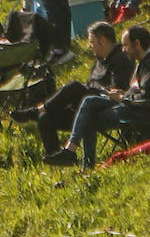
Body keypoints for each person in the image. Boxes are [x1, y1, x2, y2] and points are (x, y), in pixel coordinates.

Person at [12, 22, 133, 156]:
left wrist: (89, 89)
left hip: (104, 110)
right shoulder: (99, 59)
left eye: (92, 42)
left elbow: (116, 92)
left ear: (103, 40)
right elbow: (92, 83)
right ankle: (57, 157)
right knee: (45, 118)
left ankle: (35, 111)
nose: (89, 46)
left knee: (74, 87)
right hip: (84, 110)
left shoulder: (121, 59)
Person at [46, 25, 150, 168]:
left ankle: (82, 163)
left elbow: (145, 98)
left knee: (90, 116)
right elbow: (135, 91)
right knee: (90, 102)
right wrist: (122, 94)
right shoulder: (142, 62)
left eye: (126, 45)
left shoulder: (148, 65)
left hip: (139, 113)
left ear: (137, 43)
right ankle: (73, 153)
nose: (123, 49)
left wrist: (123, 98)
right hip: (129, 104)